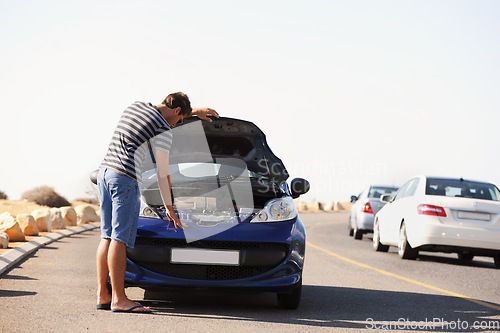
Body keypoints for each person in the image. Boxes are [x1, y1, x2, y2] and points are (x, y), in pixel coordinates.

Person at [96, 92, 218, 313]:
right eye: (179, 120)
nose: (177, 124)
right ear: (177, 111)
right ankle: (119, 299)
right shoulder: (163, 130)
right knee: (119, 239)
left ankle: (103, 294)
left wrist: (194, 112)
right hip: (125, 177)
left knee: (106, 236)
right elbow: (163, 173)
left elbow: (167, 112)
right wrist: (169, 207)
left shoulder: (136, 106)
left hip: (104, 174)